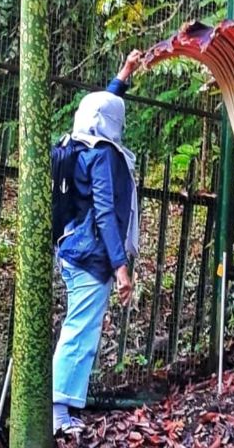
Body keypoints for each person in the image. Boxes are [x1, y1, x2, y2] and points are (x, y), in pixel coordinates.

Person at [51, 50, 142, 436]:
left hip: (73, 247)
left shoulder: (78, 143)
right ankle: (57, 414)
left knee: (81, 330)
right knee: (79, 333)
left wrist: (124, 74)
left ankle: (65, 410)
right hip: (90, 255)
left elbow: (100, 108)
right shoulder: (103, 155)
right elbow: (105, 212)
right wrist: (121, 268)